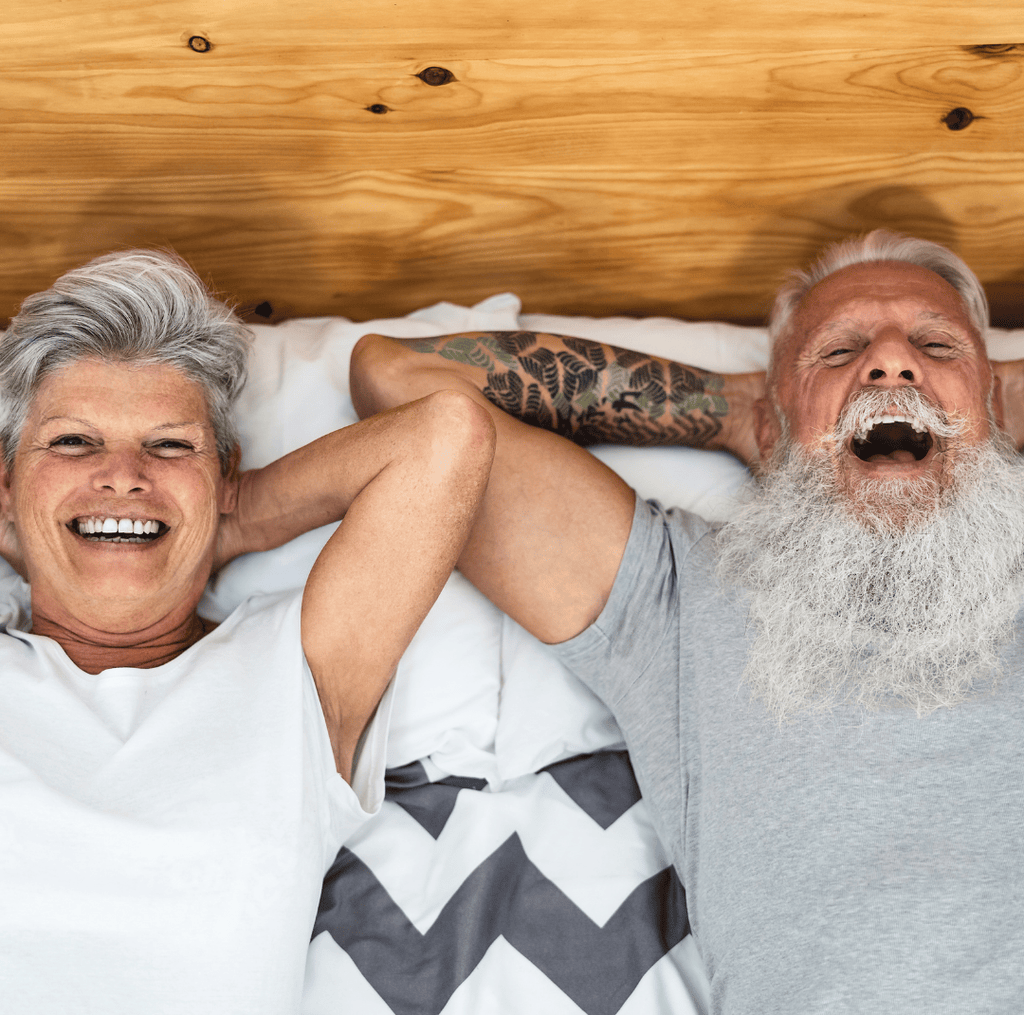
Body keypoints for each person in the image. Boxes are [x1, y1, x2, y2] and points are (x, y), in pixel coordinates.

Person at [350, 230, 1024, 1013]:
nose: (890, 362)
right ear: (770, 433)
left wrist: (989, 403)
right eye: (838, 353)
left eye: (936, 344)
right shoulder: (681, 592)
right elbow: (397, 380)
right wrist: (740, 411)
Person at [0, 249, 495, 1015]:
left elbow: (446, 434)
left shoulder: (293, 672)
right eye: (72, 442)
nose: (125, 473)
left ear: (225, 470)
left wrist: (236, 516)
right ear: (6, 485)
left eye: (171, 446)